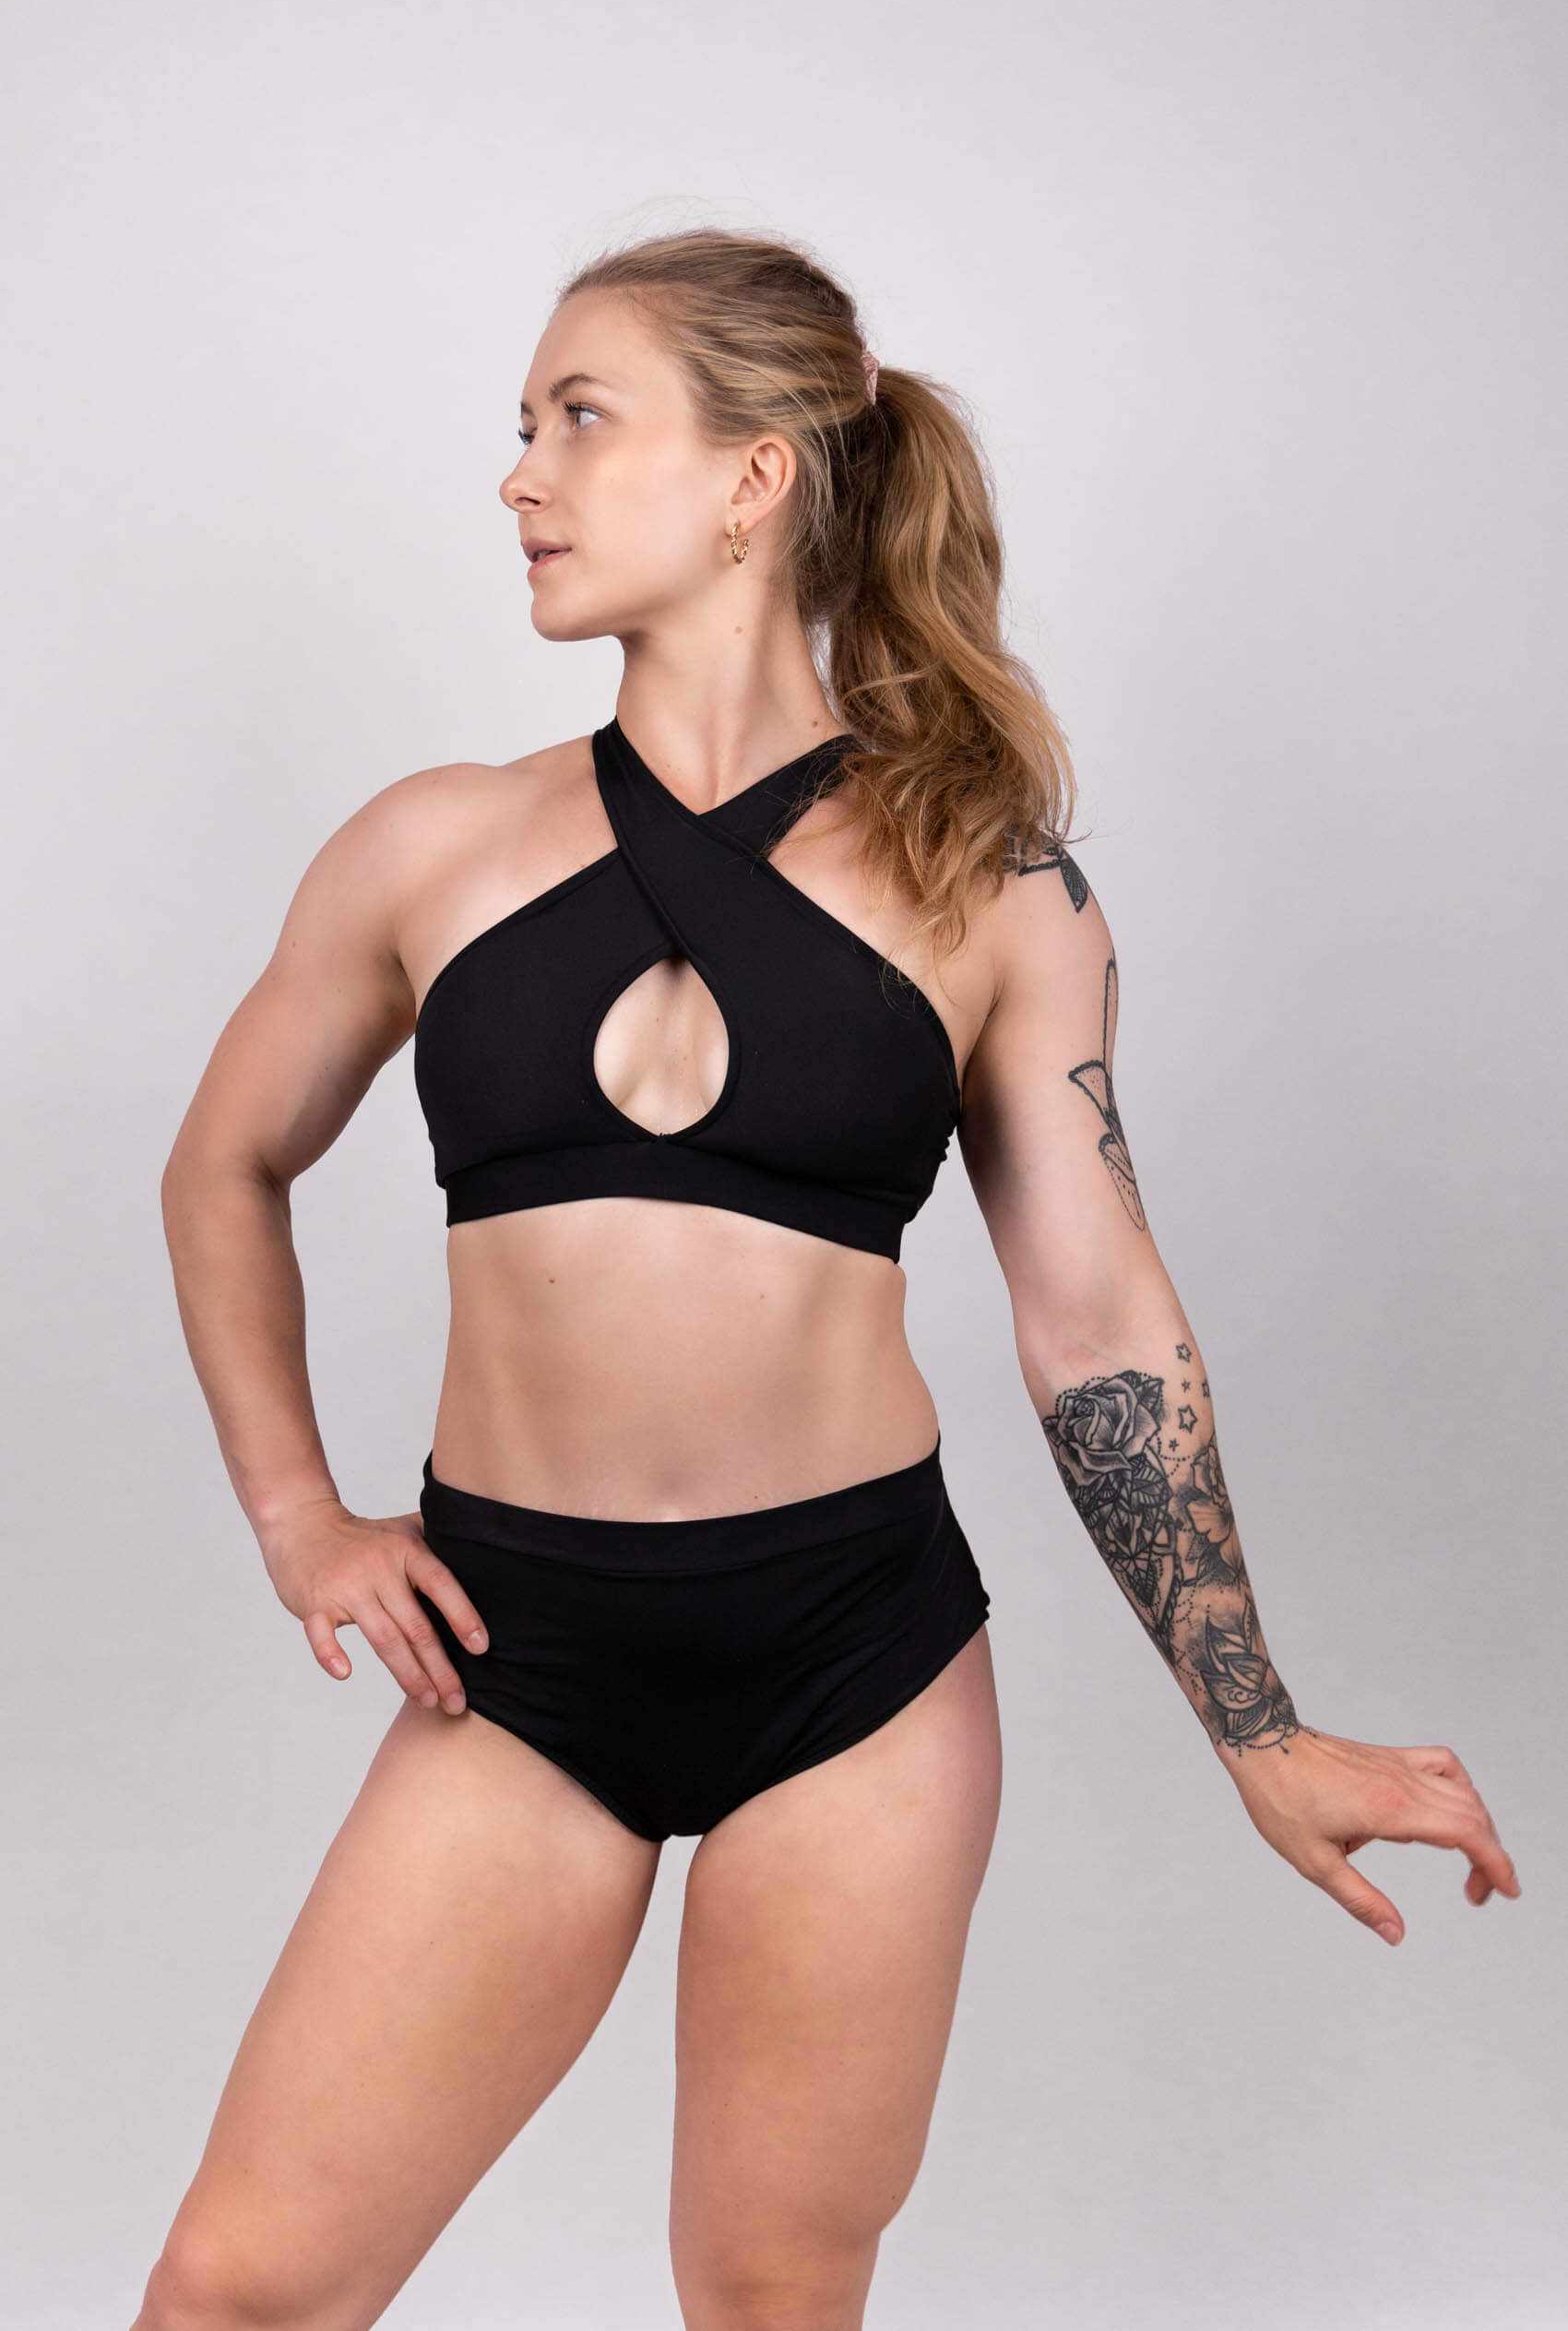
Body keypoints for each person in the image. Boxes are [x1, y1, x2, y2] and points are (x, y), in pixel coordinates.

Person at [140, 226, 1520, 2331]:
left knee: (775, 2290)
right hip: (519, 1652)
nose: (519, 474)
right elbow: (221, 1165)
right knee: (240, 2289)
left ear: (753, 475)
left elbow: (1099, 1329)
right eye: (523, 428)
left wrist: (1258, 1728)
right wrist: (294, 1513)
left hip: (852, 1665)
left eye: (578, 419)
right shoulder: (431, 846)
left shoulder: (992, 881)